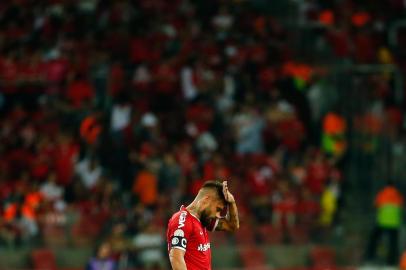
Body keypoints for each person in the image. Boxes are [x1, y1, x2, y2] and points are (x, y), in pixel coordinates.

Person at [166, 180, 239, 270]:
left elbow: (232, 226)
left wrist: (232, 202)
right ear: (206, 200)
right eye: (217, 209)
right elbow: (176, 259)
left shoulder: (203, 220)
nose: (216, 215)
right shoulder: (182, 220)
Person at [366, 180, 404, 265]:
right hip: (394, 223)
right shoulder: (398, 195)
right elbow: (401, 206)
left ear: (386, 186)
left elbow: (376, 204)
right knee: (393, 243)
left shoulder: (382, 193)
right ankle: (391, 260)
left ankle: (370, 256)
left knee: (374, 239)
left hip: (382, 222)